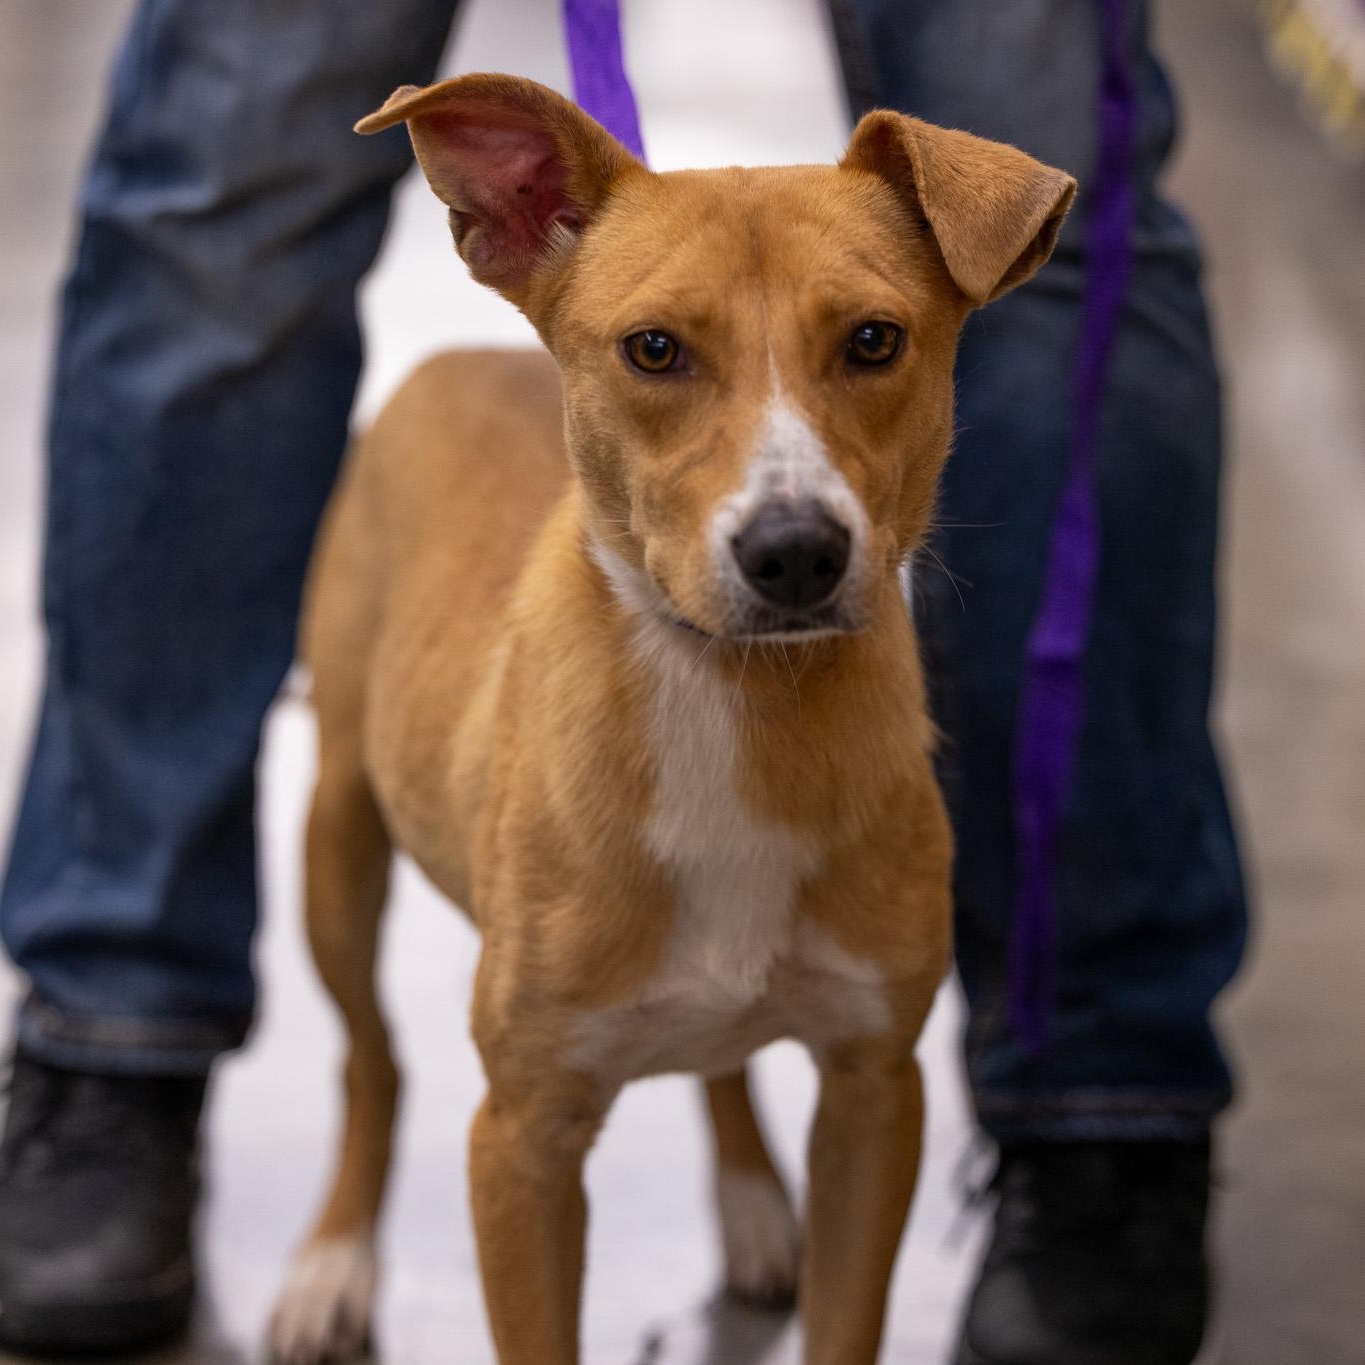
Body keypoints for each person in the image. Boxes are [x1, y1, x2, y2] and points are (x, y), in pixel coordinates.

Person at [0, 1, 1246, 1361]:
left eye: (870, 345)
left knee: (1081, 212)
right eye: (659, 350)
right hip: (564, 737)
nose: (787, 502)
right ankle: (129, 1045)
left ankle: (1099, 1106)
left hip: (848, 786)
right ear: (512, 221)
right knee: (221, 176)